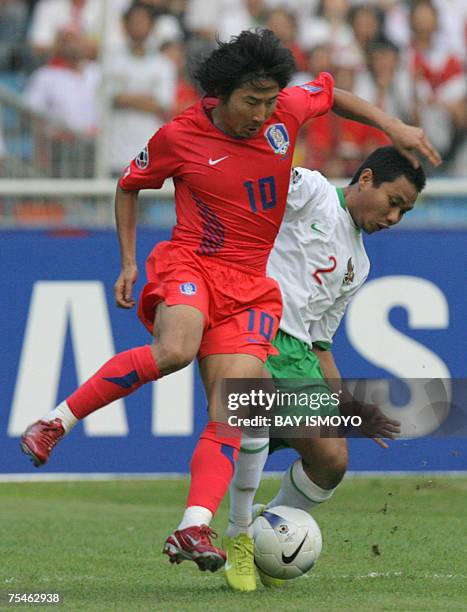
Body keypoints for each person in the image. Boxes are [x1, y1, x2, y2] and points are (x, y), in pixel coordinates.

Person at [20, 29, 440, 582]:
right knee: (174, 351)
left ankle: (196, 525)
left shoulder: (282, 114)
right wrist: (127, 262)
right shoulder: (180, 136)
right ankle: (56, 421)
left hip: (249, 286)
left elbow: (329, 93)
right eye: (252, 102)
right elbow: (129, 184)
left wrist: (391, 125)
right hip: (193, 263)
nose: (264, 113)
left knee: (236, 408)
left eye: (270, 101)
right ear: (220, 94)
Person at [224, 145, 426, 591]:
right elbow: (256, 179)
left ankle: (265, 525)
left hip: (296, 352)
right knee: (250, 421)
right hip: (251, 329)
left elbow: (321, 344)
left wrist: (348, 406)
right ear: (367, 179)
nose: (393, 219)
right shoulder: (313, 191)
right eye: (393, 203)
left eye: (404, 213)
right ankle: (238, 537)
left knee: (332, 461)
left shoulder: (361, 264)